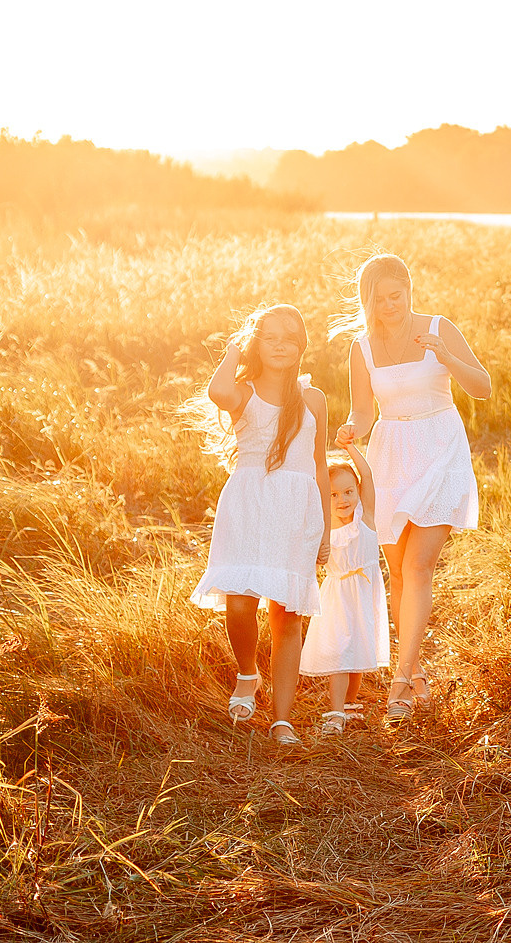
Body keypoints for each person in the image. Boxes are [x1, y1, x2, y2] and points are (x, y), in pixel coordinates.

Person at [335, 253, 491, 722]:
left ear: (409, 289)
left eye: (395, 296)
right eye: (378, 300)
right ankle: (417, 673)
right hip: (390, 457)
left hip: (440, 448)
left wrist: (445, 357)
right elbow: (364, 410)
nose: (389, 307)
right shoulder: (360, 349)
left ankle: (400, 681)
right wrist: (351, 427)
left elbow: (482, 386)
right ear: (368, 301)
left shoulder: (440, 328)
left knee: (419, 566)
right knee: (399, 573)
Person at [189, 304, 330, 747]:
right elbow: (217, 392)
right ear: (257, 342)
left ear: (302, 345)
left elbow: (320, 464)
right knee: (240, 605)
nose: (281, 344)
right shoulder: (244, 393)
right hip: (249, 505)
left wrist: (325, 528)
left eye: (291, 337)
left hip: (295, 509)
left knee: (287, 616)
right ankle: (248, 673)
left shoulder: (313, 399)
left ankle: (282, 719)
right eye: (271, 337)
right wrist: (234, 349)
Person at [300, 442, 388, 735]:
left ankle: (349, 704)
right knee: (340, 652)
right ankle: (335, 710)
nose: (342, 499)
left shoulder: (367, 517)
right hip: (337, 597)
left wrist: (349, 448)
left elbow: (367, 475)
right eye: (333, 494)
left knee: (358, 653)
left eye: (349, 491)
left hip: (363, 593)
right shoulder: (323, 529)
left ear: (357, 492)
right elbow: (313, 561)